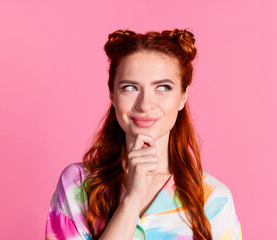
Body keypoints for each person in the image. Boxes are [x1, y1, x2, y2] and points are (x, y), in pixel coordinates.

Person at [45, 29, 242, 240]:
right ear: (112, 94)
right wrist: (132, 199)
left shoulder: (212, 200)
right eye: (130, 88)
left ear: (183, 96)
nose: (145, 105)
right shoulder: (79, 185)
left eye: (163, 87)